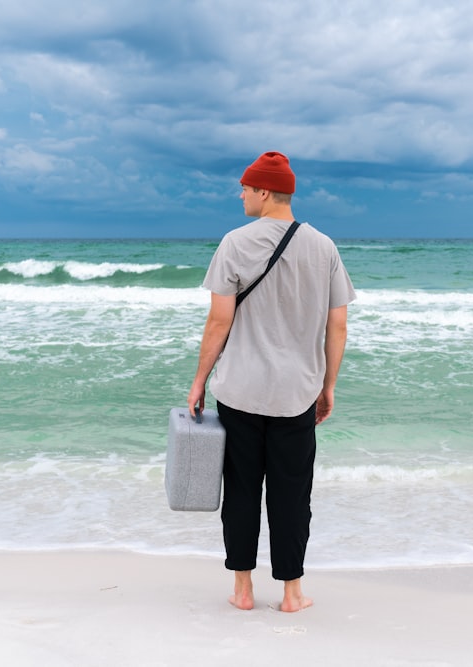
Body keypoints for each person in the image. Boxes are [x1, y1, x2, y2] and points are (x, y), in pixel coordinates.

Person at [187, 151, 356, 613]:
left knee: (242, 490)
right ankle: (291, 593)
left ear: (264, 191)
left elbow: (219, 321)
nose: (240, 195)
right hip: (296, 393)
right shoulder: (323, 247)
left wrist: (200, 379)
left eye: (244, 187)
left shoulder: (234, 243)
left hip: (240, 391)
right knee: (291, 494)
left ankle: (242, 590)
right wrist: (328, 386)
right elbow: (336, 326)